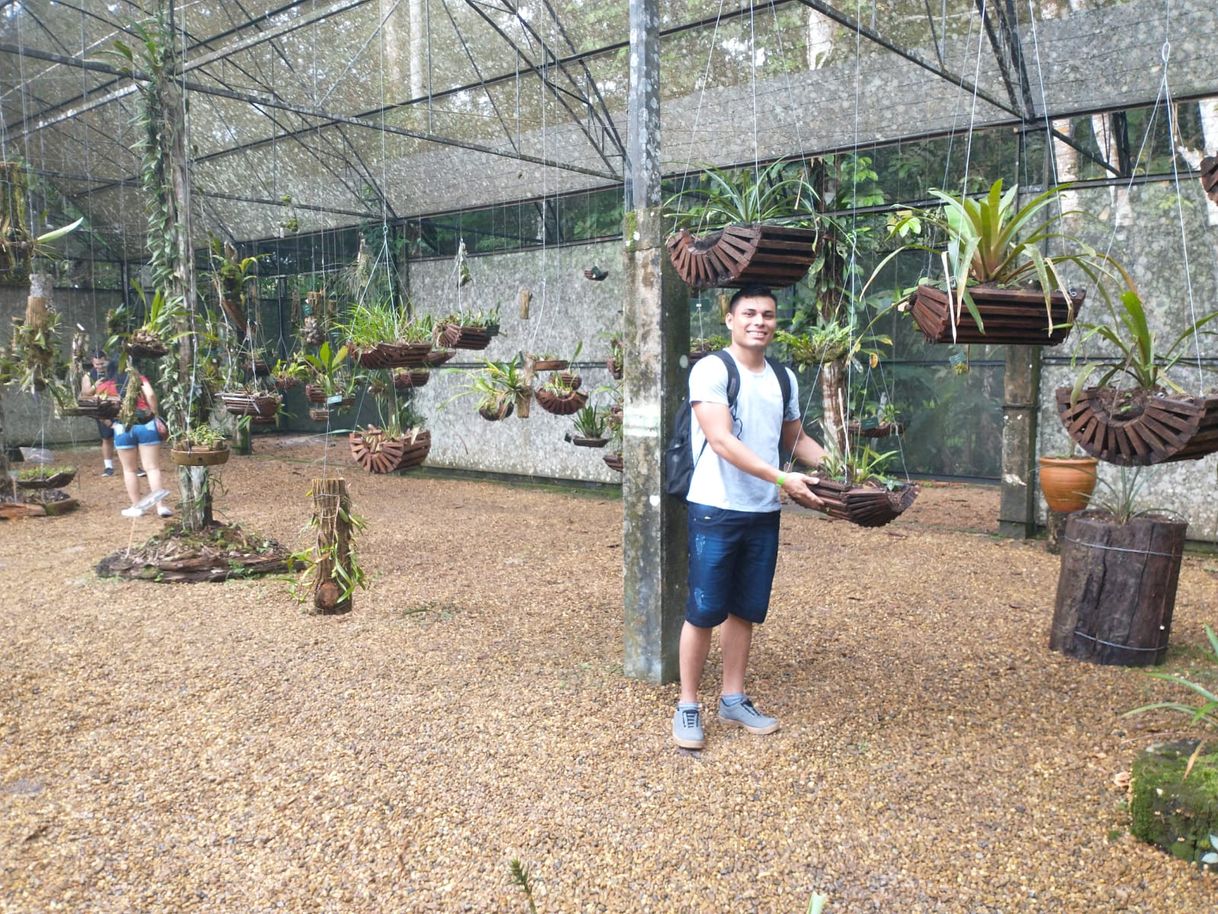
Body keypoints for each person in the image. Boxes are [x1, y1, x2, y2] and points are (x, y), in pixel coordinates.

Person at [673, 284, 827, 750]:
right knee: (704, 609)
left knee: (745, 608)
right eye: (750, 313)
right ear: (730, 319)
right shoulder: (712, 369)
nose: (760, 321)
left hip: (762, 511)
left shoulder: (784, 378)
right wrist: (783, 480)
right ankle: (687, 705)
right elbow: (720, 440)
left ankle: (733, 698)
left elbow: (797, 441)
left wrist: (848, 474)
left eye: (768, 315)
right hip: (715, 507)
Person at [106, 370, 173, 519]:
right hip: (146, 425)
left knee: (129, 470)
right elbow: (150, 394)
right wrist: (154, 413)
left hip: (122, 426)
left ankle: (137, 507)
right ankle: (160, 506)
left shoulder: (110, 383)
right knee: (152, 468)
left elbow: (101, 407)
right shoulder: (139, 377)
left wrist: (110, 424)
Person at [81, 350, 144, 479]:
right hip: (102, 410)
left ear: (106, 359)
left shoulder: (116, 368)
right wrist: (95, 387)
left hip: (119, 408)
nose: (99, 366)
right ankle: (108, 467)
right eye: (96, 364)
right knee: (106, 438)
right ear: (92, 362)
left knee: (128, 436)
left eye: (102, 363)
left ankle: (134, 466)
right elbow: (84, 393)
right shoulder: (89, 375)